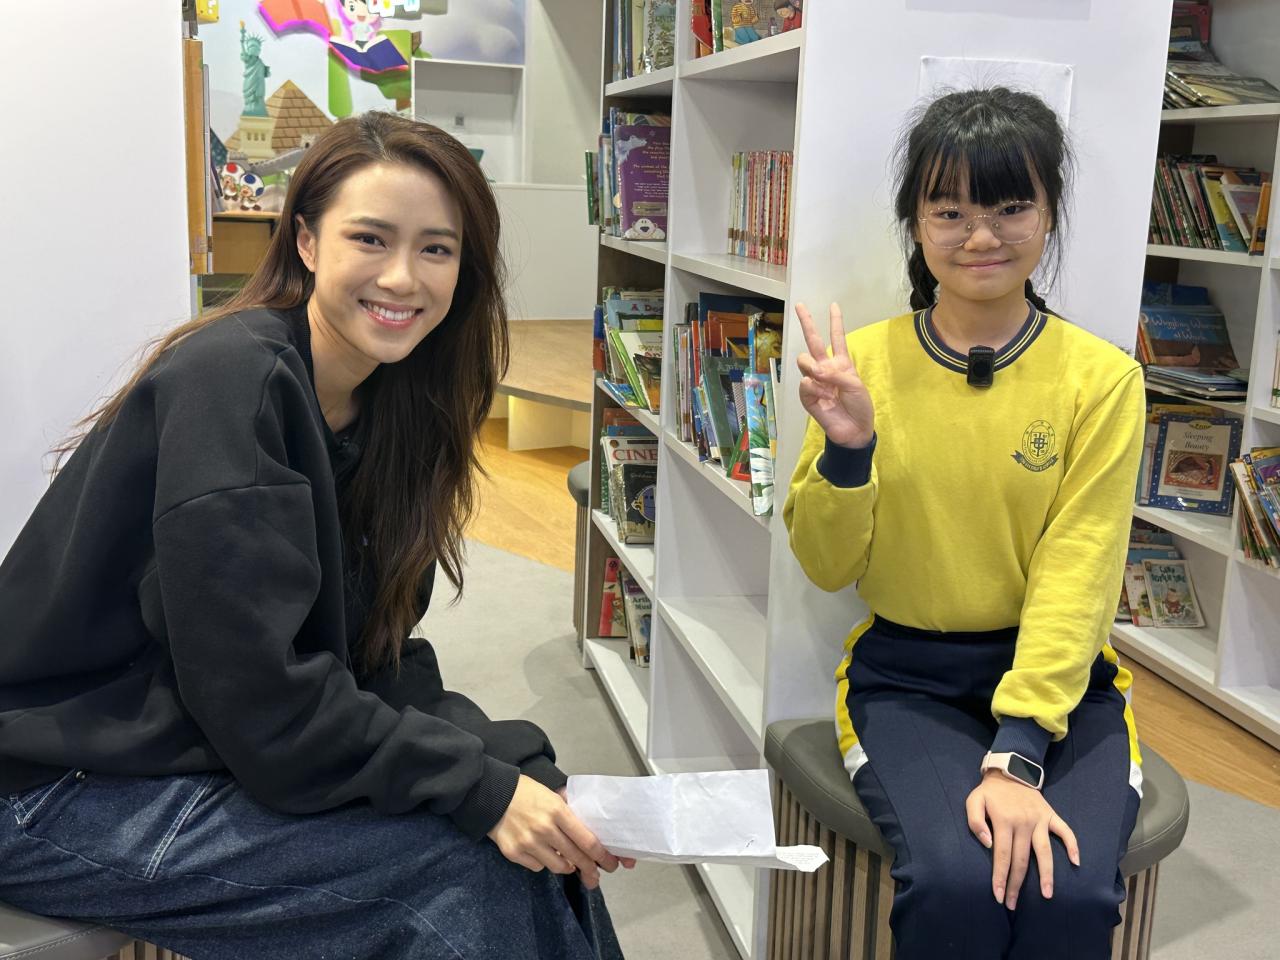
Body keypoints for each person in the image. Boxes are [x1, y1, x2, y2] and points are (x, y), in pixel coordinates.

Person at [0, 112, 630, 960]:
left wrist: (507, 766)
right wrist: (472, 784)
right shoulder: (233, 379)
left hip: (187, 739)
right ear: (305, 242)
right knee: (466, 873)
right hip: (49, 781)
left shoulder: (392, 408)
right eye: (370, 238)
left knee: (536, 845)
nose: (403, 276)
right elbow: (262, 702)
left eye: (437, 249)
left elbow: (369, 657)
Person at [783, 88, 1146, 960]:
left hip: (1061, 687)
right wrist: (851, 451)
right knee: (956, 885)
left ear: (1049, 214)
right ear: (915, 223)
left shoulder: (1102, 379)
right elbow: (825, 565)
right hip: (907, 678)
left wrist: (1018, 752)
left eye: (1010, 207)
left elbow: (1080, 568)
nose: (981, 236)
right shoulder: (859, 366)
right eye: (949, 211)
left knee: (1067, 888)